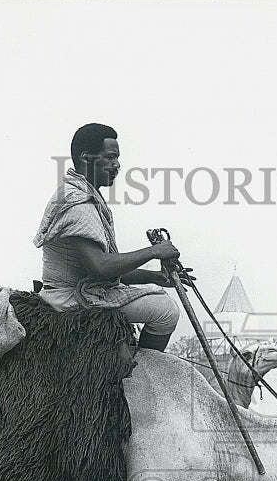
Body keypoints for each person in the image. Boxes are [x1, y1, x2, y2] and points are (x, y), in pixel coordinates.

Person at [34, 122, 184, 352]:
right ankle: (141, 379)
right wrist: (154, 251)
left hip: (80, 292)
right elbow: (101, 268)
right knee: (166, 310)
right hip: (66, 300)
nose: (117, 166)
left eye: (118, 159)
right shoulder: (78, 202)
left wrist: (155, 277)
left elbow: (108, 270)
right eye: (110, 157)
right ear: (86, 158)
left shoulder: (84, 195)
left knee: (161, 301)